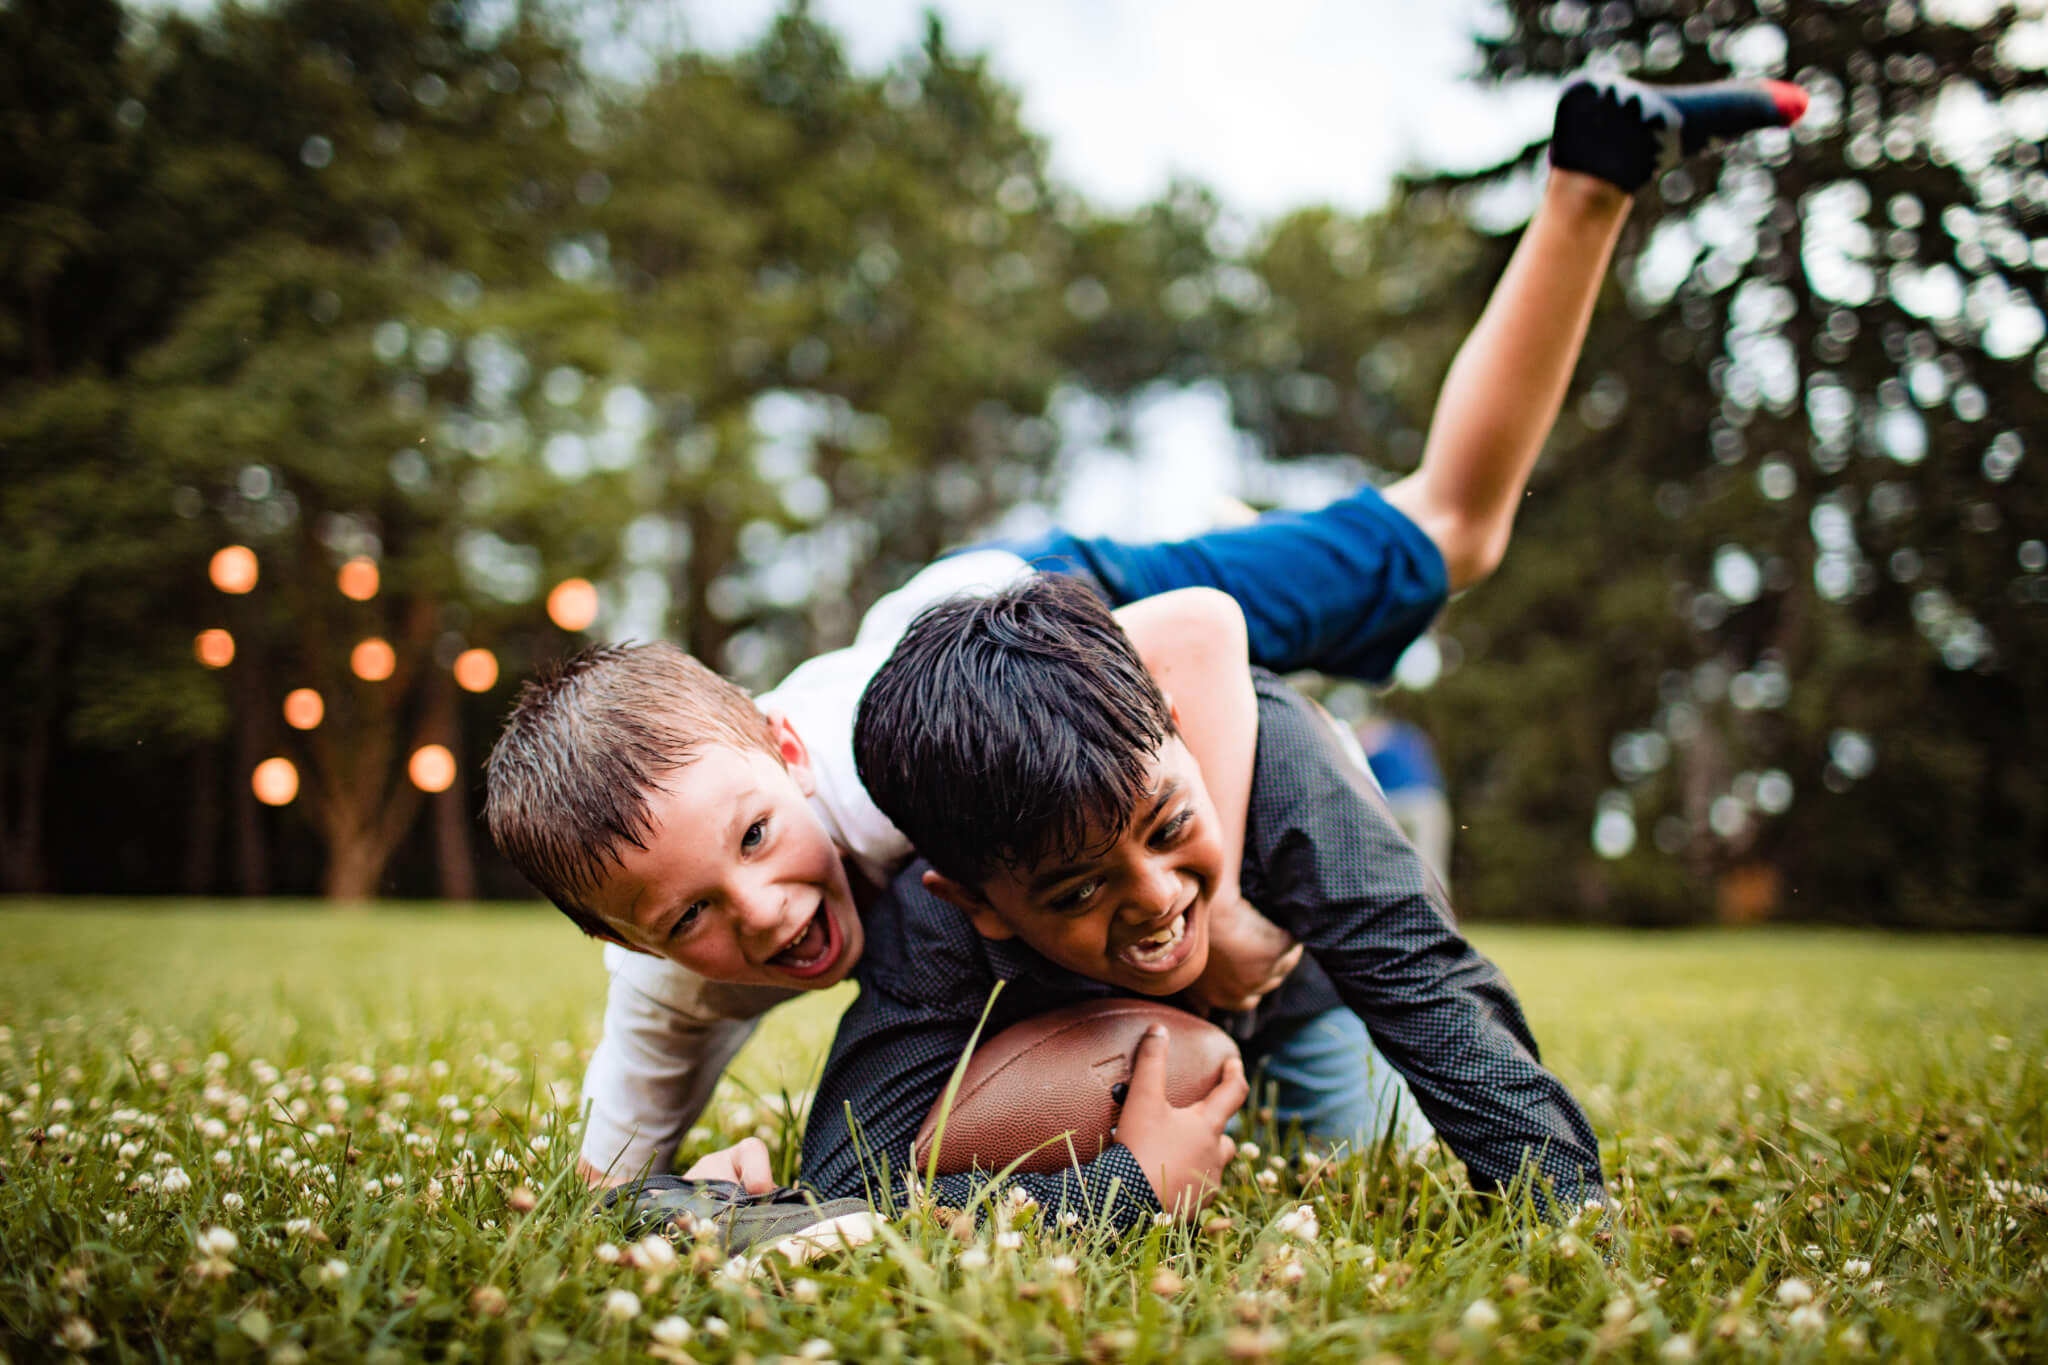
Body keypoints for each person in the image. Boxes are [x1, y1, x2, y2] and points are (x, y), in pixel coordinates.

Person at [482, 71, 1808, 1193]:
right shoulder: (668, 992)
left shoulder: (886, 752)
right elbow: (605, 1195)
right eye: (691, 917)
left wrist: (1215, 917)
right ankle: (1603, 162)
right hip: (1055, 818)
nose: (765, 912)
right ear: (633, 944)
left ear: (781, 749)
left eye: (758, 838)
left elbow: (1192, 637)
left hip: (1068, 610)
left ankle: (1597, 169)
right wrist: (694, 1198)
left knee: (1459, 528)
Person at [796, 574, 1603, 1226]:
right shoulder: (933, 922)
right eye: (1079, 886)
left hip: (1295, 1005)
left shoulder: (1287, 764)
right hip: (1081, 1050)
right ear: (980, 903)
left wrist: (1568, 1210)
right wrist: (1126, 1184)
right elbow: (840, 1195)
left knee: (1356, 1155)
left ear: (1179, 727)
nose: (1157, 897)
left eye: (1171, 822)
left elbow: (1427, 981)